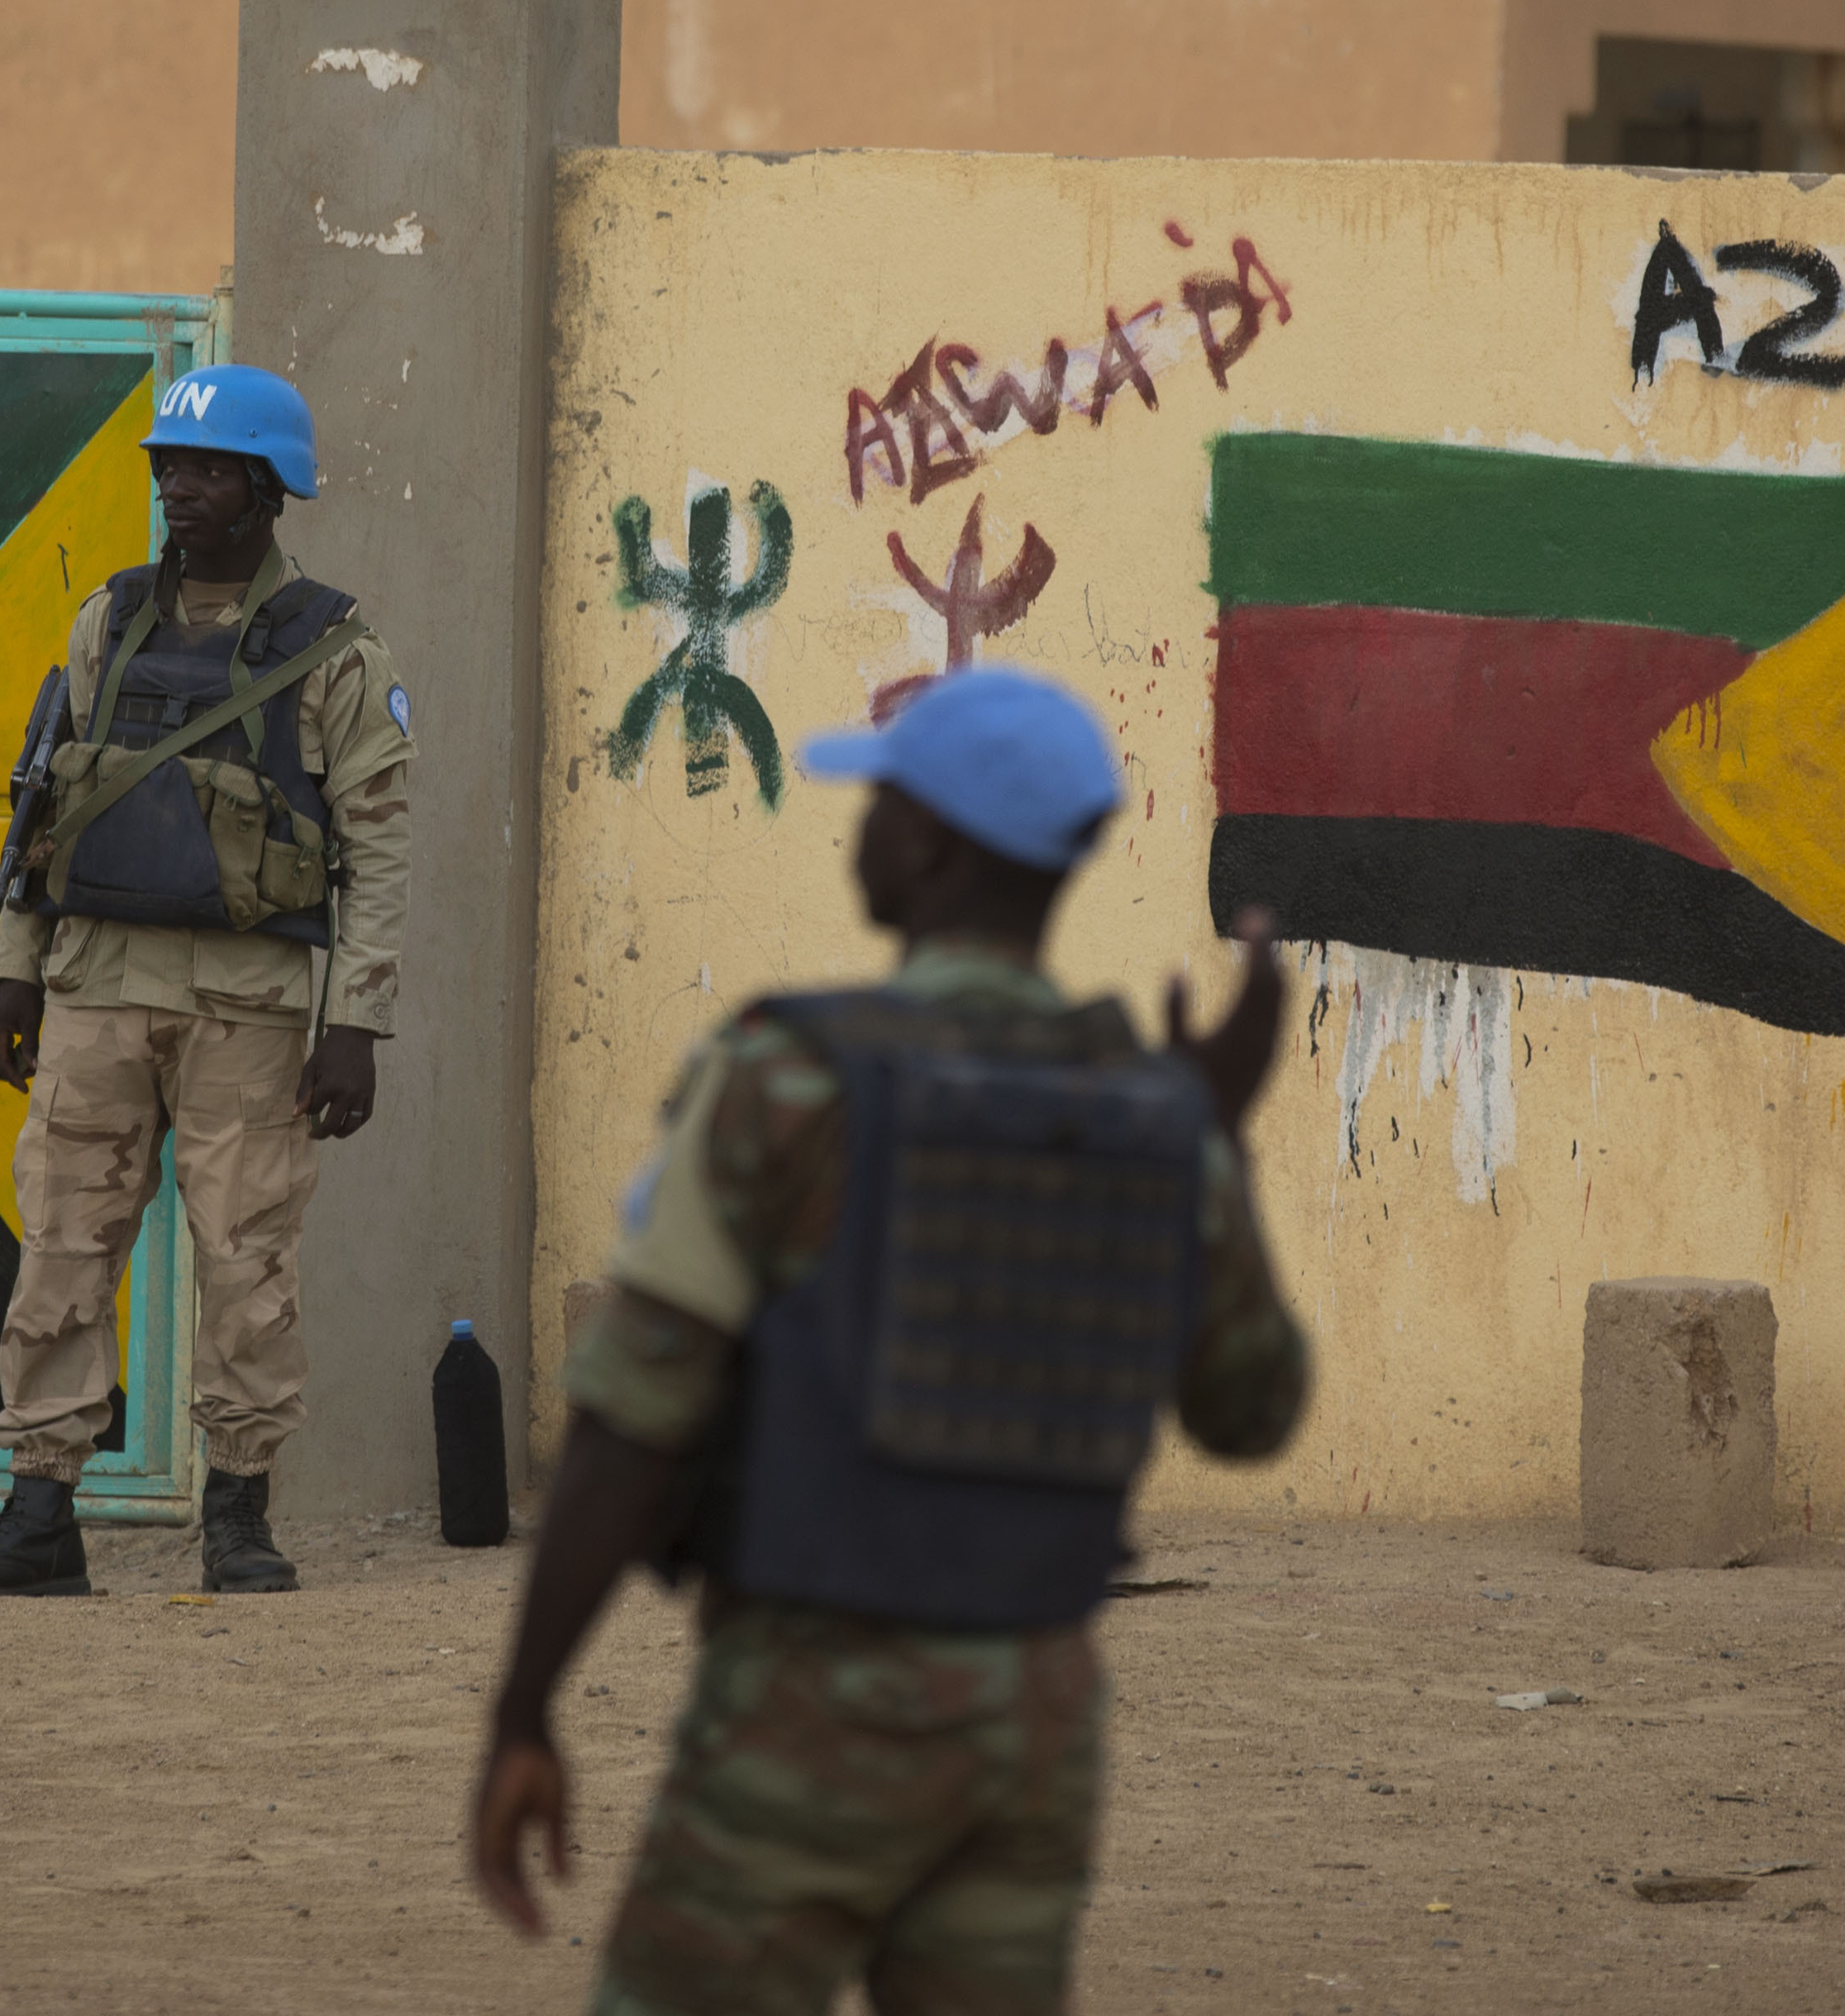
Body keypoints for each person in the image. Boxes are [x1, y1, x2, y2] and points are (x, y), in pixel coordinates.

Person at [467, 666, 1309, 2013]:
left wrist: (523, 1710)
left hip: (812, 1705)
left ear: (923, 845)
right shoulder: (1153, 1117)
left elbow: (634, 1421)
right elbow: (1252, 1412)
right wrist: (1210, 1130)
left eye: (878, 802)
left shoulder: (786, 1080)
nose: (859, 827)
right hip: (1033, 1719)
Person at [0, 364, 415, 1600]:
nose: (178, 490)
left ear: (267, 487)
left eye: (207, 470)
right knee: (64, 1244)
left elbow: (380, 848)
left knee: (246, 1259)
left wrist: (356, 1024)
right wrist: (18, 975)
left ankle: (237, 1517)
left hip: (248, 1006)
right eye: (166, 469)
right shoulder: (109, 620)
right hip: (95, 985)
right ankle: (39, 1512)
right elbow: (45, 801)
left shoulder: (336, 648)